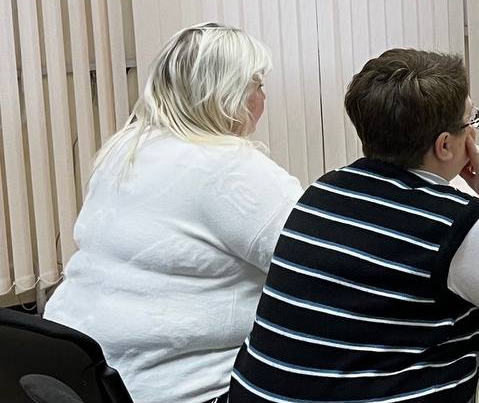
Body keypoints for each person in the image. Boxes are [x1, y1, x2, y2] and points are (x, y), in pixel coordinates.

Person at [229, 49, 479, 403]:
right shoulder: (454, 223)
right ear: (444, 145)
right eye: (470, 121)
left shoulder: (323, 190)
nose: (473, 131)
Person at [43, 23, 302, 403]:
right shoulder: (231, 169)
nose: (263, 97)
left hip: (76, 375)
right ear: (229, 95)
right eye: (257, 85)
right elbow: (317, 266)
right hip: (176, 390)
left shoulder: (125, 149)